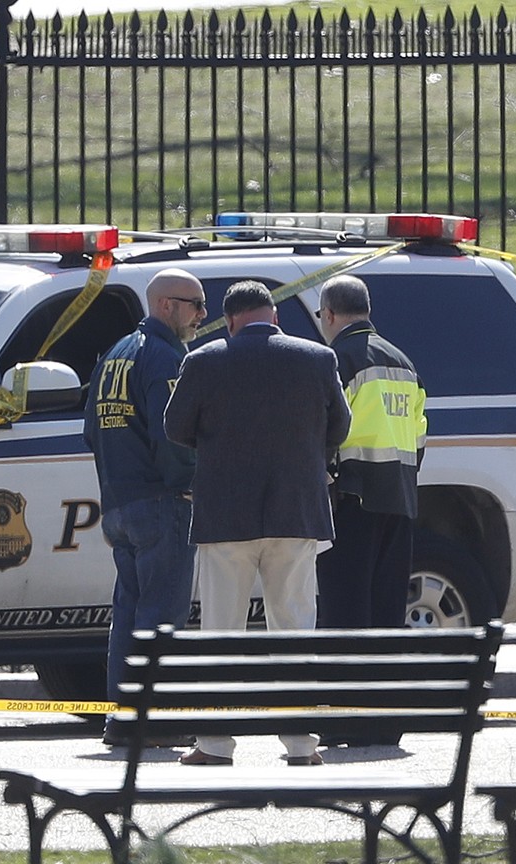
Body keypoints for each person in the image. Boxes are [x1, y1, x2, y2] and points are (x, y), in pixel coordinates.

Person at [164, 280, 351, 767]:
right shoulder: (317, 359)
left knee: (222, 632)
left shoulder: (203, 361)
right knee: (293, 628)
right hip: (297, 512)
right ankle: (301, 743)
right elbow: (341, 427)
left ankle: (215, 743)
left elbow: (175, 428)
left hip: (225, 515)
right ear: (274, 315)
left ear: (228, 320)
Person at [83, 269, 204, 748]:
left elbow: (92, 431)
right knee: (162, 614)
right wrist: (188, 484)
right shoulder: (165, 357)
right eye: (194, 304)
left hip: (119, 502)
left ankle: (123, 717)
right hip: (161, 502)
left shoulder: (115, 355)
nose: (202, 315)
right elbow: (172, 433)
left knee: (129, 611)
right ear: (165, 306)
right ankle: (154, 719)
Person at [314, 276, 426, 747]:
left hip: (352, 497)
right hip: (398, 498)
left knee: (344, 614)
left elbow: (327, 427)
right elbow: (420, 432)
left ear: (330, 315)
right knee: (386, 613)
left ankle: (343, 720)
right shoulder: (402, 360)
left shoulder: (339, 359)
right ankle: (384, 721)